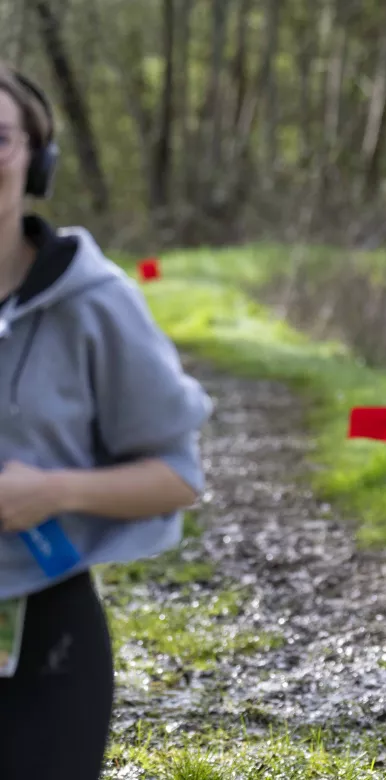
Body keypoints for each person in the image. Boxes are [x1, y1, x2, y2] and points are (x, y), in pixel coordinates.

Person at [0, 64, 211, 779]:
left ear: (36, 159)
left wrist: (53, 491)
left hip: (43, 641)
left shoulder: (94, 301)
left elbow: (177, 477)